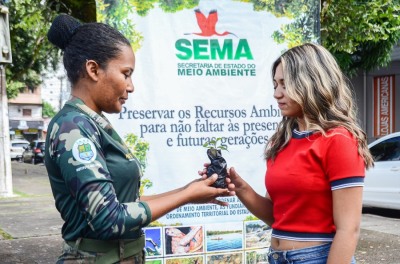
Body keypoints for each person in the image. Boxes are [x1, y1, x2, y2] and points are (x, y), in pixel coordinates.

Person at [45, 14, 231, 264]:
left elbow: (124, 203)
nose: (131, 86)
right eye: (126, 73)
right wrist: (187, 196)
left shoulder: (91, 123)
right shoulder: (74, 128)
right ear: (93, 69)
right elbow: (109, 219)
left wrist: (190, 190)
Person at [216, 43, 374, 264]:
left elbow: (349, 230)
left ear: (311, 83)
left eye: (284, 84)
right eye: (275, 85)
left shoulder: (338, 140)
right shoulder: (282, 141)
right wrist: (241, 188)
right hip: (276, 256)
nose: (276, 94)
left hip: (317, 258)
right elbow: (276, 217)